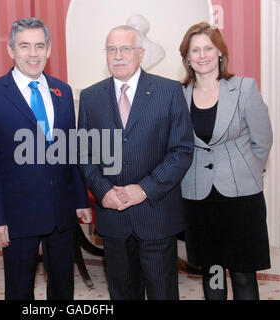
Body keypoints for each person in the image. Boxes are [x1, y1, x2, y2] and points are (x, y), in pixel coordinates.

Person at [0, 17, 92, 300]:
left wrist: (80, 201)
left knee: (63, 288)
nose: (33, 53)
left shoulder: (62, 91)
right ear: (11, 50)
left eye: (40, 45)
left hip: (61, 213)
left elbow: (69, 153)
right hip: (15, 216)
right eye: (24, 46)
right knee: (19, 289)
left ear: (49, 50)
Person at [78, 25, 194, 300]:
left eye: (125, 48)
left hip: (156, 213)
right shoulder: (90, 97)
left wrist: (143, 189)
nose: (118, 55)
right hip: (113, 217)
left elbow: (181, 151)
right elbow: (84, 153)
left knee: (162, 292)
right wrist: (103, 190)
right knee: (122, 293)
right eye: (112, 49)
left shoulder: (169, 91)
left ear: (140, 53)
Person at [179, 22, 273, 300]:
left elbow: (262, 141)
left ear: (220, 52)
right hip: (199, 199)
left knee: (244, 276)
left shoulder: (244, 88)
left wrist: (248, 173)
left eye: (208, 48)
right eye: (195, 50)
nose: (202, 55)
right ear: (187, 57)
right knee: (214, 273)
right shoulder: (178, 96)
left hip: (241, 199)